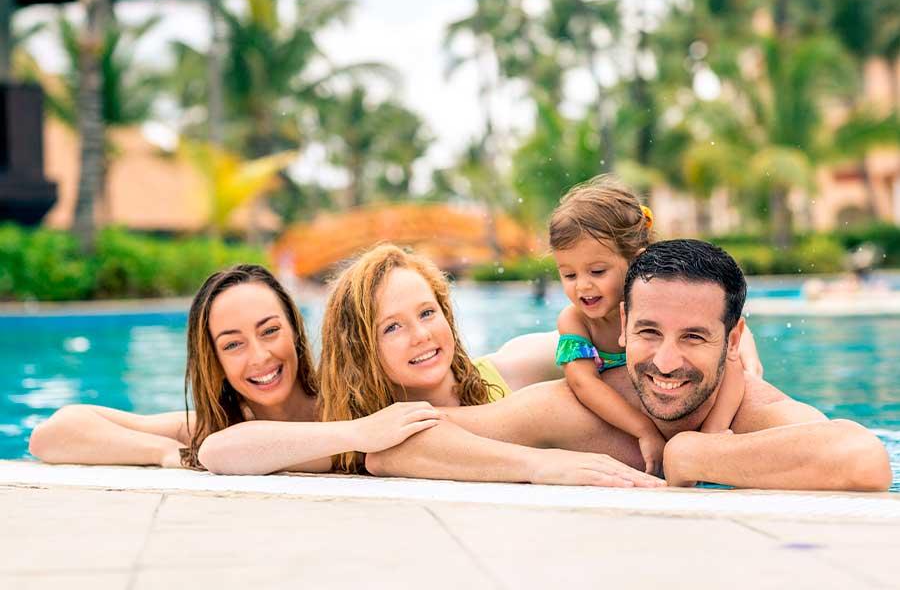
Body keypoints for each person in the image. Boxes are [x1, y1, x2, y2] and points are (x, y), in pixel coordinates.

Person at [366, 240, 892, 491]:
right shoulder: (575, 409)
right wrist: (538, 466)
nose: (666, 362)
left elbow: (862, 459)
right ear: (622, 324)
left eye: (693, 337)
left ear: (732, 339)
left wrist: (696, 455)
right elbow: (393, 448)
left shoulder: (751, 410)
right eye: (648, 332)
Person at [29, 264, 444, 474]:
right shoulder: (218, 429)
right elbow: (52, 435)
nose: (259, 357)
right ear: (214, 360)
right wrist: (170, 454)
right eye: (233, 344)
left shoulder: (355, 399)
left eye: (270, 331)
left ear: (296, 331)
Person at [318, 243, 665, 487]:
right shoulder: (363, 431)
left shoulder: (515, 366)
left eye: (427, 313)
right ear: (359, 348)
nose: (421, 335)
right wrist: (542, 464)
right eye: (392, 327)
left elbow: (630, 342)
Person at [550, 175, 744, 474]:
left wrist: (712, 434)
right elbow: (582, 382)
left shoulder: (667, 305)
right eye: (569, 275)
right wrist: (644, 430)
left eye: (597, 271)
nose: (583, 287)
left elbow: (732, 363)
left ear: (635, 261)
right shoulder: (575, 320)